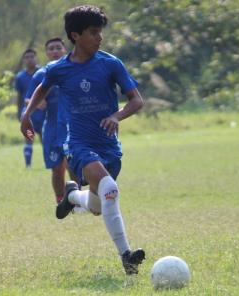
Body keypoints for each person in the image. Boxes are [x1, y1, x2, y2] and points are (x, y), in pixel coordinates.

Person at [20, 5, 146, 275]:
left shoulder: (110, 63)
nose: (99, 38)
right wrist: (27, 116)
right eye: (93, 33)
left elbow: (137, 100)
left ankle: (72, 195)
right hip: (77, 145)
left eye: (100, 32)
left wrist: (117, 115)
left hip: (109, 146)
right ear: (75, 36)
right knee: (109, 188)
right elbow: (43, 88)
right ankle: (126, 255)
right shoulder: (58, 69)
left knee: (100, 205)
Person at [24, 37, 71, 203]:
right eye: (51, 48)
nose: (55, 51)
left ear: (65, 50)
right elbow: (28, 99)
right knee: (57, 168)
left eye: (58, 47)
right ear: (46, 53)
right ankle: (61, 201)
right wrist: (37, 103)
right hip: (51, 126)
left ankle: (78, 199)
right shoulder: (41, 74)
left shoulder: (73, 70)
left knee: (73, 165)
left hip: (73, 126)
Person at [15, 49, 45, 168]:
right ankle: (28, 164)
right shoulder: (20, 77)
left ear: (36, 58)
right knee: (28, 137)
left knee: (44, 137)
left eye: (32, 56)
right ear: (24, 60)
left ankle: (48, 161)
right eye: (27, 57)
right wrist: (19, 112)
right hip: (28, 111)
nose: (30, 59)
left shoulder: (43, 73)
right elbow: (19, 96)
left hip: (43, 111)